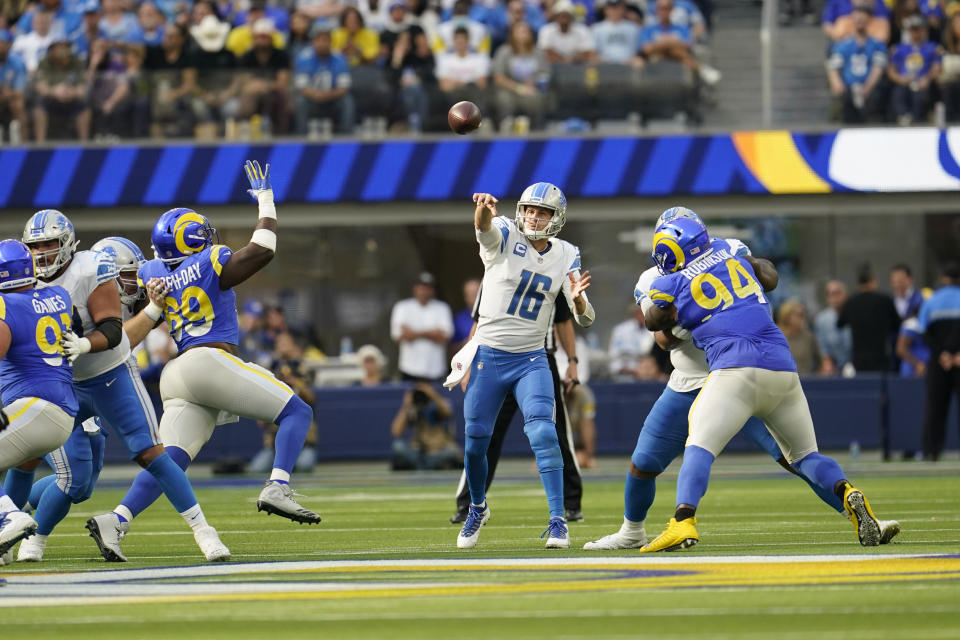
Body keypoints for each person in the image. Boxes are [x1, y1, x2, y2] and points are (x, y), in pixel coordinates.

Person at [584, 207, 898, 551]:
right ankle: (632, 532)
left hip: (730, 373)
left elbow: (765, 277)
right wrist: (693, 316)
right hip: (697, 377)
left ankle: (684, 520)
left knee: (775, 459)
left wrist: (718, 290)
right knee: (644, 462)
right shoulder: (653, 279)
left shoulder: (724, 250)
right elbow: (662, 339)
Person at [84, 160, 321, 564]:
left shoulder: (150, 273)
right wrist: (266, 200)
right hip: (210, 360)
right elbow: (263, 249)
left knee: (171, 458)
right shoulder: (208, 260)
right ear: (194, 239)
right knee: (298, 411)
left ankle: (117, 519)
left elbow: (126, 303)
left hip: (177, 374)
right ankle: (278, 484)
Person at [13, 213, 225, 563]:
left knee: (151, 453)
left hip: (111, 373)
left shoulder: (91, 269)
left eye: (50, 244)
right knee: (54, 470)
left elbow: (113, 329)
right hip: (60, 382)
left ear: (66, 244)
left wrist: (83, 345)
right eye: (36, 246)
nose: (43, 253)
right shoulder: (23, 281)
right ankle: (27, 539)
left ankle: (204, 532)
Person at [445, 182, 595, 550]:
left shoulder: (566, 254)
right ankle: (478, 507)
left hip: (532, 359)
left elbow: (586, 318)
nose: (533, 216)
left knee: (544, 433)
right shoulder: (506, 235)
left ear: (556, 218)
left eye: (542, 212)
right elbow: (484, 228)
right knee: (476, 442)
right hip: (489, 356)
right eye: (529, 209)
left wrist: (577, 304)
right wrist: (481, 207)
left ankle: (558, 520)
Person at [449, 286, 585, 524]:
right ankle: (470, 503)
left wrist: (572, 361)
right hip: (498, 360)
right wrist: (468, 361)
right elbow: (480, 321)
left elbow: (564, 321)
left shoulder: (552, 271)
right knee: (483, 435)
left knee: (553, 433)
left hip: (538, 359)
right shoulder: (497, 268)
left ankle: (570, 502)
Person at [0, 240, 77, 562]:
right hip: (57, 412)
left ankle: (10, 516)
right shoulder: (58, 296)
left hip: (34, 405)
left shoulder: (5, 305)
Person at [917, 262, 960, 461]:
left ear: (943, 280)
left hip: (938, 361)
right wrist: (955, 354)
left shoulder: (932, 301)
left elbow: (923, 332)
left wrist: (942, 353)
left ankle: (931, 452)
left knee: (935, 408)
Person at [827, 5, 888, 124]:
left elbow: (878, 69)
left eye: (862, 20)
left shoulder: (877, 45)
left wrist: (867, 87)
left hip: (871, 87)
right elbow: (833, 67)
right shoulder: (843, 45)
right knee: (845, 103)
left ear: (869, 21)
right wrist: (837, 82)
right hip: (849, 88)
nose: (859, 22)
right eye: (857, 19)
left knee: (877, 98)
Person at [390, 271, 453, 382]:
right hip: (409, 369)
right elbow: (398, 336)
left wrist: (413, 333)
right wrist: (432, 333)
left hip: (436, 370)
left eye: (428, 288)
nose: (424, 291)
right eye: (421, 287)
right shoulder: (402, 307)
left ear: (433, 290)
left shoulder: (442, 308)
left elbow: (445, 338)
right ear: (415, 288)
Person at [638, 0, 720, 85]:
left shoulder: (681, 28)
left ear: (672, 10)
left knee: (677, 52)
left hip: (676, 59)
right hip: (656, 59)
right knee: (679, 54)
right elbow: (646, 49)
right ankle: (701, 69)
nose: (664, 12)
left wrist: (661, 43)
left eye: (667, 8)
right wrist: (671, 43)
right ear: (656, 10)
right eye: (662, 9)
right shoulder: (648, 29)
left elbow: (687, 46)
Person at [293, 23, 355, 135]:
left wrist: (328, 95)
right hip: (312, 98)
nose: (322, 44)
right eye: (319, 40)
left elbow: (344, 87)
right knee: (300, 101)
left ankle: (346, 137)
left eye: (325, 40)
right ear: (313, 42)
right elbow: (301, 87)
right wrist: (316, 95)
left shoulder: (340, 59)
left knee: (347, 101)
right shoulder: (303, 58)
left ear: (331, 42)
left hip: (333, 98)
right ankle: (300, 136)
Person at [838, 264, 901, 373]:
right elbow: (897, 325)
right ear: (873, 280)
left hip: (859, 360)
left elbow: (840, 323)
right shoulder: (885, 300)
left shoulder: (851, 302)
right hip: (881, 358)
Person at [390, 382, 462, 470]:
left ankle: (422, 467)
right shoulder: (414, 410)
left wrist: (433, 395)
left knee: (451, 451)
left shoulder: (437, 408)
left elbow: (448, 412)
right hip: (419, 453)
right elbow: (396, 432)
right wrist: (406, 405)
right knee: (398, 446)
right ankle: (428, 466)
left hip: (437, 452)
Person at [888, 14, 942, 126]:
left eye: (918, 29)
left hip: (924, 81)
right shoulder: (899, 48)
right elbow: (891, 70)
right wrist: (901, 79)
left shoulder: (933, 48)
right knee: (898, 92)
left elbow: (937, 67)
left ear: (924, 30)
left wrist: (927, 79)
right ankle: (904, 118)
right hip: (904, 81)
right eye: (913, 30)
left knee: (921, 95)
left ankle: (918, 121)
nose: (916, 33)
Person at [537, 0, 597, 64]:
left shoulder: (582, 30)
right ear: (556, 17)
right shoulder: (546, 30)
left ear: (572, 17)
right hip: (552, 67)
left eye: (566, 15)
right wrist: (562, 59)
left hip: (578, 66)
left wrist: (572, 59)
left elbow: (587, 51)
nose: (563, 19)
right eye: (561, 15)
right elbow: (545, 51)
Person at [813, 279, 852, 375]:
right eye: (830, 294)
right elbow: (823, 349)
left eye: (837, 293)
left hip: (856, 367)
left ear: (846, 295)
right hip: (834, 369)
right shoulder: (822, 320)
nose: (834, 297)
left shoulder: (856, 316)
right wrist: (827, 363)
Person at [776, 299, 825, 375]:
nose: (803, 319)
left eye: (804, 315)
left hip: (805, 382)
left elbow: (822, 361)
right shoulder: (775, 337)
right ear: (787, 317)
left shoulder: (809, 337)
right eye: (800, 315)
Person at [608, 305, 654, 380]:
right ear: (634, 313)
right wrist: (633, 371)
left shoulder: (654, 329)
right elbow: (614, 358)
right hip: (624, 378)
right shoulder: (621, 330)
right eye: (640, 312)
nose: (643, 315)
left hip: (648, 378)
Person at [451, 277, 480, 351]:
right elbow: (451, 349)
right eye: (471, 294)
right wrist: (465, 344)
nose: (475, 297)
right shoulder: (459, 319)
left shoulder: (494, 315)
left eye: (477, 293)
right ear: (465, 297)